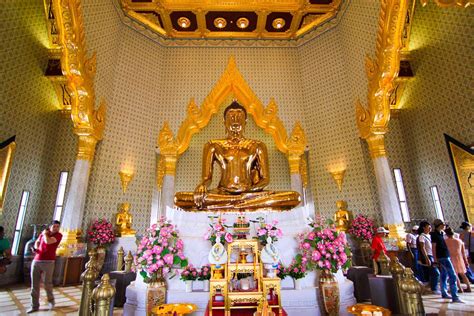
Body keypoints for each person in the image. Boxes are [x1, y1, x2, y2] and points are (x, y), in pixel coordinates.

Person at [174, 101, 300, 211]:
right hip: (222, 194)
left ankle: (236, 203)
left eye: (239, 116)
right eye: (231, 116)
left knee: (293, 197)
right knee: (180, 198)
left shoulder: (257, 145)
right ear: (224, 121)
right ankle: (239, 203)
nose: (235, 120)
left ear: (245, 121)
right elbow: (207, 178)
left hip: (250, 194)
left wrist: (248, 192)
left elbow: (265, 179)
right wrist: (202, 186)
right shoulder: (213, 145)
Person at [27, 220, 62, 313]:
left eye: (57, 227)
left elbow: (48, 242)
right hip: (37, 260)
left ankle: (51, 301)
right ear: (50, 227)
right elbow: (37, 241)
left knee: (47, 284)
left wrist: (44, 234)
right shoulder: (43, 234)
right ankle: (34, 306)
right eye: (54, 226)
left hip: (49, 262)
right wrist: (36, 247)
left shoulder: (58, 235)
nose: (56, 228)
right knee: (34, 285)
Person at [431, 219, 463, 303]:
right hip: (442, 257)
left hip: (445, 255)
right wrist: (435, 259)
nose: (444, 225)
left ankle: (444, 293)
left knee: (444, 275)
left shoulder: (441, 234)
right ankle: (455, 297)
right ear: (439, 225)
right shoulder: (435, 235)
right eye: (443, 224)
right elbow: (433, 247)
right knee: (452, 276)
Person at [445, 227, 471, 292]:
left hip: (451, 258)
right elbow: (463, 253)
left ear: (447, 234)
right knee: (463, 274)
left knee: (455, 274)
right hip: (459, 258)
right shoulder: (459, 241)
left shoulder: (445, 241)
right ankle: (468, 287)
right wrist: (466, 261)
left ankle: (460, 288)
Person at [417, 221, 440, 292]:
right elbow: (422, 248)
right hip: (429, 256)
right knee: (435, 272)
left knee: (433, 272)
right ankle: (434, 288)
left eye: (430, 226)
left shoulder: (430, 235)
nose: (430, 228)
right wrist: (426, 258)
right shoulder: (422, 236)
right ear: (424, 227)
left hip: (433, 255)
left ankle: (432, 285)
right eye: (428, 226)